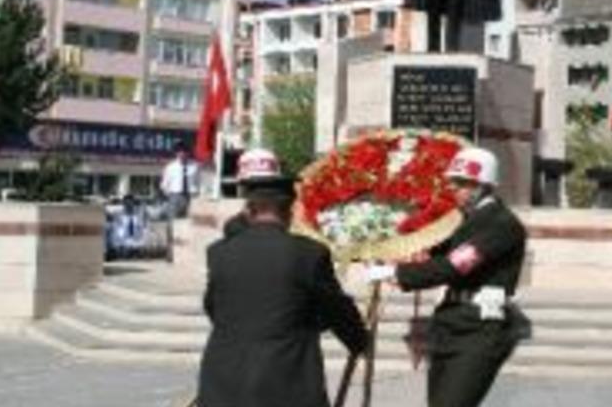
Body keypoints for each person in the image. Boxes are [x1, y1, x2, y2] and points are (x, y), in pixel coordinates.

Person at [198, 149, 369, 407]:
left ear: (249, 209)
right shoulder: (308, 254)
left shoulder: (219, 253)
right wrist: (359, 341)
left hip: (225, 384)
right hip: (286, 384)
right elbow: (337, 310)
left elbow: (213, 308)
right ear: (290, 210)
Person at [368, 146, 528, 407]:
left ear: (484, 185)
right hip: (450, 318)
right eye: (455, 181)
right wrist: (397, 255)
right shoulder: (460, 220)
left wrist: (396, 273)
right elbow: (435, 255)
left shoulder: (502, 223)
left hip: (480, 327)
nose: (455, 188)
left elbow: (454, 266)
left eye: (463, 183)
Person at [160, 140, 200, 219]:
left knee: (190, 221)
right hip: (175, 197)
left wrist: (196, 193)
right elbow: (164, 184)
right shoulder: (170, 167)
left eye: (184, 152)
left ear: (188, 153)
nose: (182, 154)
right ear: (176, 153)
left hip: (190, 197)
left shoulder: (195, 166)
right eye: (179, 152)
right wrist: (170, 195)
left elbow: (199, 182)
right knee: (173, 221)